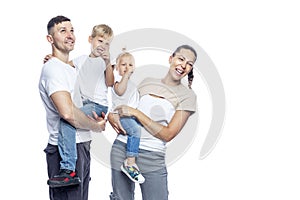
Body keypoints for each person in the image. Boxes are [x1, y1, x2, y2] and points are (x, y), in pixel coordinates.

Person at [108, 44, 197, 200]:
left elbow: (168, 134)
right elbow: (124, 104)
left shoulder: (188, 96)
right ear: (171, 59)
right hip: (122, 148)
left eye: (189, 63)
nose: (183, 65)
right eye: (181, 59)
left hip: (152, 156)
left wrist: (136, 113)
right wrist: (112, 116)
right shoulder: (147, 81)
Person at [38, 15, 106, 199]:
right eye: (63, 31)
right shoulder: (53, 69)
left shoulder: (71, 67)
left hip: (82, 145)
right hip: (63, 151)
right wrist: (96, 126)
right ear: (50, 39)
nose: (70, 35)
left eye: (72, 30)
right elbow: (67, 113)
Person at [111, 51, 145, 184]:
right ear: (117, 68)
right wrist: (125, 76)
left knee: (139, 129)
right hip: (121, 115)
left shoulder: (133, 84)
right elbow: (120, 91)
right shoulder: (118, 82)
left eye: (130, 65)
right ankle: (129, 162)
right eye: (123, 64)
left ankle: (134, 160)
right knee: (136, 131)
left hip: (130, 115)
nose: (127, 67)